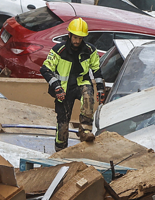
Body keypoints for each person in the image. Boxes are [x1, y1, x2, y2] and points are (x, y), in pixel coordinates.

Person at [39, 18, 105, 150]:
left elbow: (97, 70)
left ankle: (85, 131)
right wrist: (56, 86)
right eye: (75, 38)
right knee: (62, 124)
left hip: (81, 83)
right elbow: (45, 69)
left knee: (88, 96)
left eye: (80, 38)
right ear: (69, 35)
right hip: (63, 89)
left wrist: (101, 90)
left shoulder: (90, 50)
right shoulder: (59, 50)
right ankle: (60, 149)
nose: (77, 41)